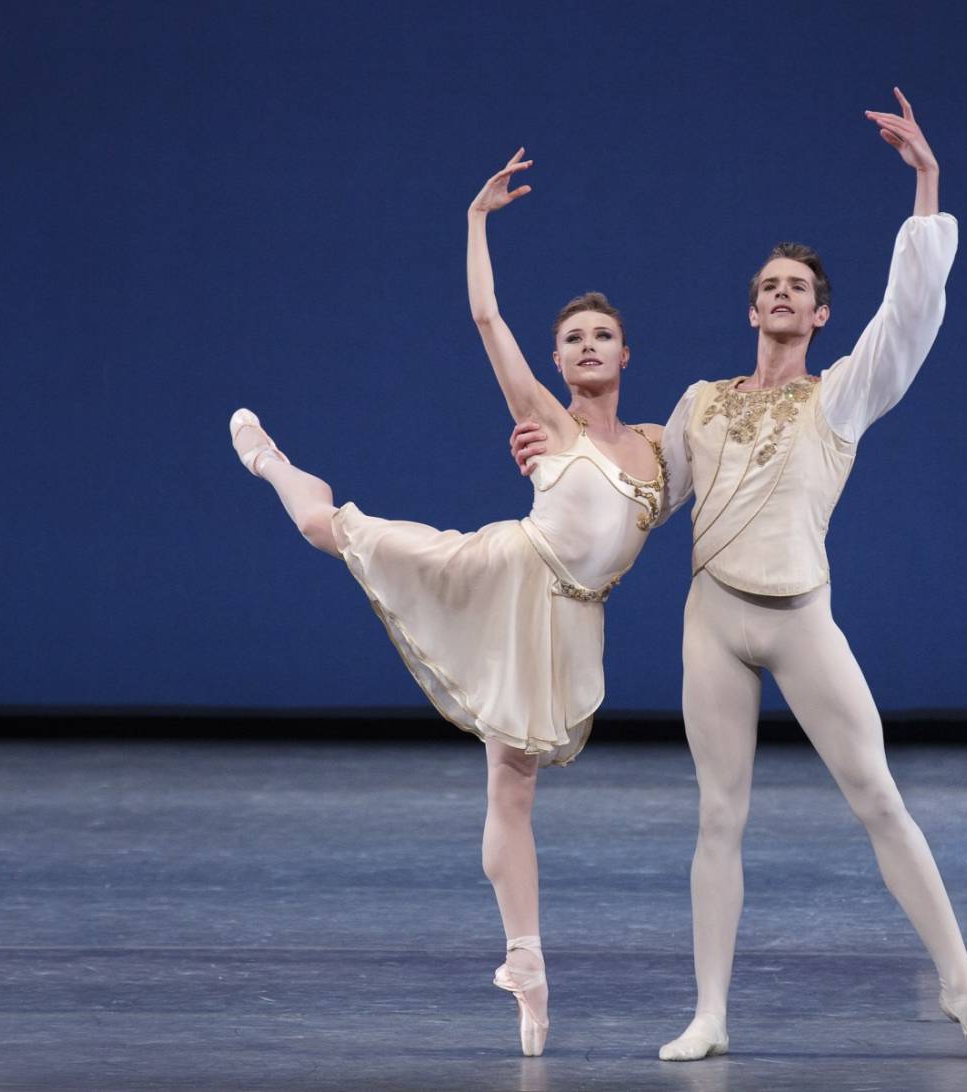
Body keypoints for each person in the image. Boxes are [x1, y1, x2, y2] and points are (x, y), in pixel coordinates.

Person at [510, 91, 967, 1062]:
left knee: (876, 798)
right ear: (750, 308)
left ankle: (963, 989)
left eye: (798, 288)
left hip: (800, 620)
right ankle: (709, 1013)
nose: (781, 295)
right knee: (717, 815)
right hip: (713, 622)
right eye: (768, 286)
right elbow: (646, 494)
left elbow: (908, 317)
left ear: (819, 314)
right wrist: (557, 463)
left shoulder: (842, 396)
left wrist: (924, 182)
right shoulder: (700, 401)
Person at [228, 150, 667, 1057]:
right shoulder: (543, 419)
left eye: (603, 336)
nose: (588, 347)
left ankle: (527, 969)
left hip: (569, 618)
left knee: (513, 785)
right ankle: (272, 462)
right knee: (336, 531)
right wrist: (476, 221)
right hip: (504, 575)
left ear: (629, 353)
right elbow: (484, 315)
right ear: (558, 360)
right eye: (574, 338)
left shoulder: (665, 451)